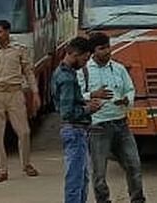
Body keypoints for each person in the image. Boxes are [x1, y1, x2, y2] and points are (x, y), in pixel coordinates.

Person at [78, 32, 145, 203]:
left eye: (108, 47)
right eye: (102, 49)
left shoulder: (119, 69)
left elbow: (130, 89)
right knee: (99, 173)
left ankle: (137, 199)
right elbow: (77, 96)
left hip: (121, 124)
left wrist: (126, 99)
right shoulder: (84, 72)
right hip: (98, 127)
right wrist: (93, 95)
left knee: (134, 165)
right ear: (93, 52)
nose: (107, 51)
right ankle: (103, 200)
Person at [0, 20, 40, 182]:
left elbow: (28, 72)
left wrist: (35, 93)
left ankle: (26, 164)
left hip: (15, 93)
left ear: (7, 32)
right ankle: (1, 170)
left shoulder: (19, 50)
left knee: (24, 132)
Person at [54, 36, 105, 203]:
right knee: (76, 180)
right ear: (75, 54)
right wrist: (88, 109)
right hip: (75, 131)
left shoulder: (61, 72)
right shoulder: (68, 79)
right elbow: (67, 112)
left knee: (81, 178)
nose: (85, 63)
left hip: (73, 131)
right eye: (85, 58)